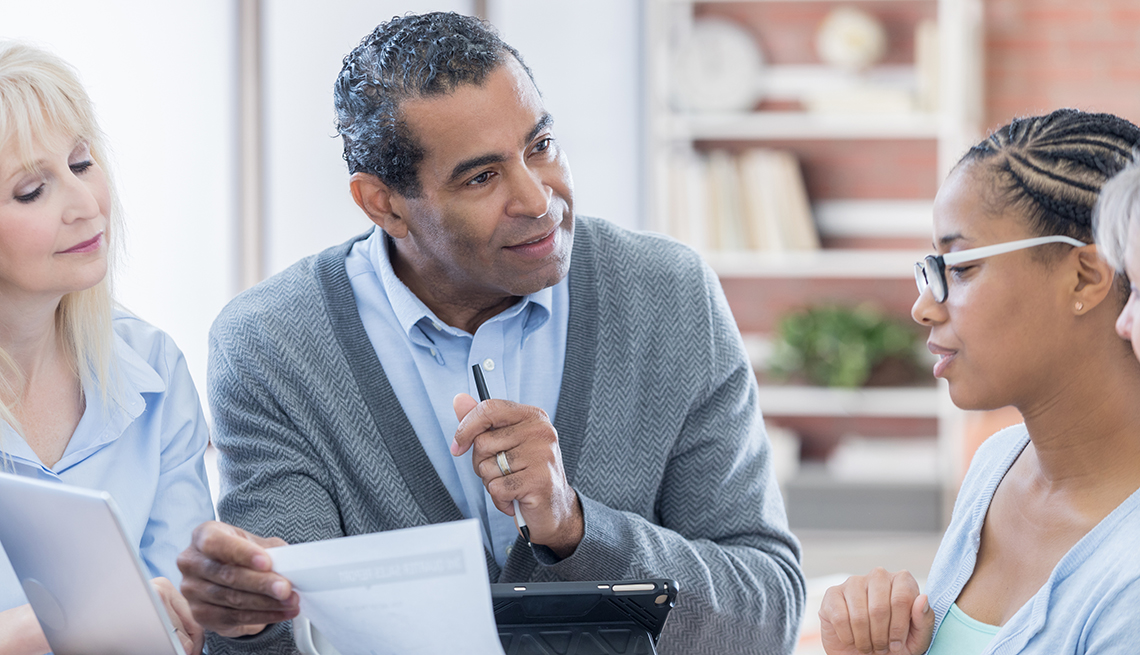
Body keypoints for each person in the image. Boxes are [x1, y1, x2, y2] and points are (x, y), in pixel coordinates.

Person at [176, 11, 805, 655]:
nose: (539, 199)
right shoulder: (271, 345)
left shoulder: (668, 297)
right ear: (382, 204)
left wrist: (575, 527)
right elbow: (279, 640)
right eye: (481, 177)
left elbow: (767, 616)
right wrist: (250, 618)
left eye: (541, 146)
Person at [818, 109, 1140, 655]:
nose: (923, 307)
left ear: (1084, 276)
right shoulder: (997, 467)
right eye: (931, 270)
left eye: (961, 268)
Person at [0, 42, 215, 655]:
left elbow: (181, 621)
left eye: (81, 163)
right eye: (31, 191)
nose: (85, 204)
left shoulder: (153, 368)